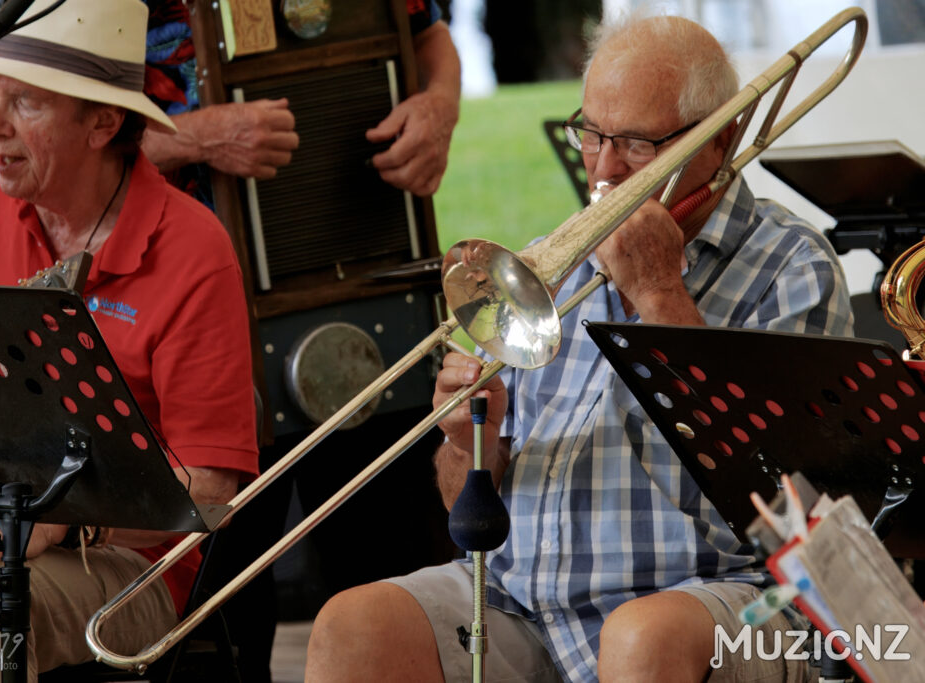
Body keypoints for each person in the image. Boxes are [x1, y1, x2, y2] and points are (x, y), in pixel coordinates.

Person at [305, 12, 855, 683]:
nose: (601, 167)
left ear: (722, 139)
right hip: (524, 601)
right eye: (591, 132)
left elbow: (779, 503)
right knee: (352, 626)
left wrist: (660, 296)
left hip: (721, 594)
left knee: (640, 637)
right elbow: (466, 509)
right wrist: (468, 440)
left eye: (636, 144)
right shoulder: (556, 258)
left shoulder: (793, 265)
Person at [0, 0, 258, 680]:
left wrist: (59, 523)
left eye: (25, 103)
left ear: (104, 121)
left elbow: (212, 485)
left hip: (127, 574)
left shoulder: (192, 249)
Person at [139, 0, 460, 198]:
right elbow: (88, 141)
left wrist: (441, 105)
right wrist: (202, 137)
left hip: (371, 232)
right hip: (179, 256)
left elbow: (428, 34)